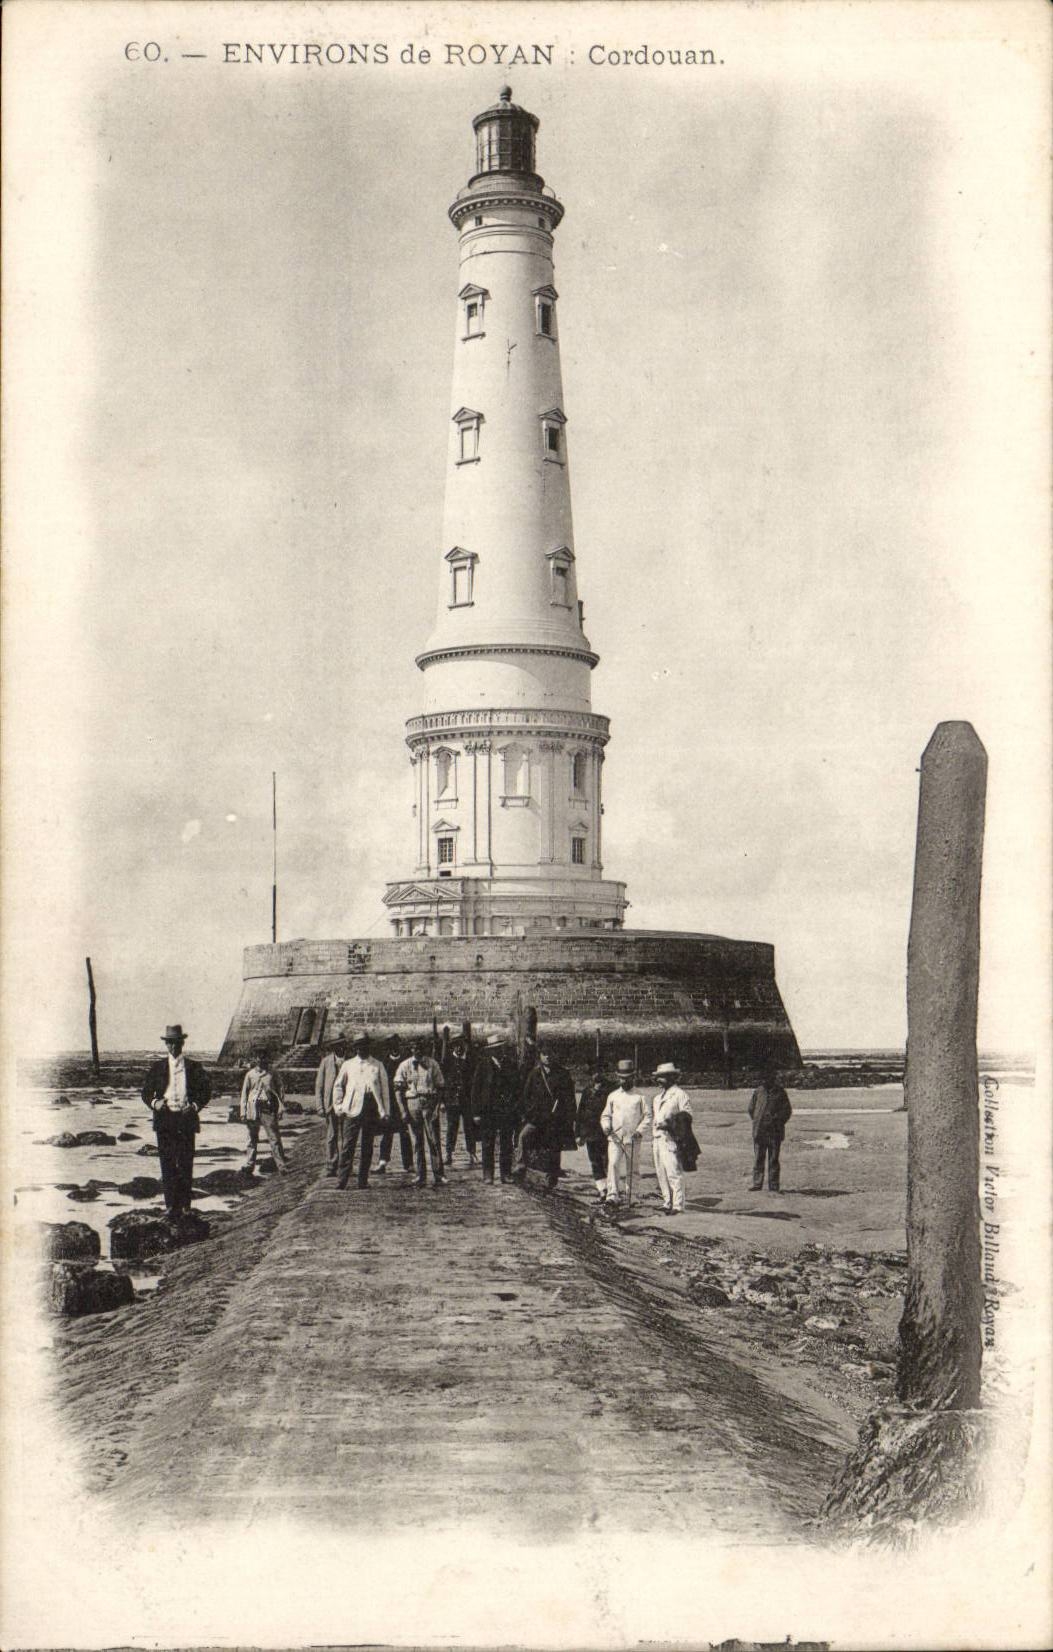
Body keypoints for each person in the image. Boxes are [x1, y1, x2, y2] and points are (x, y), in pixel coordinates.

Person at [140, 1023, 212, 1218]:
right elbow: (145, 1093)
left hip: (186, 1119)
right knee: (167, 1163)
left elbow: (206, 1091)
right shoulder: (158, 1067)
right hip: (165, 1120)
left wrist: (195, 1106)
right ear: (166, 1044)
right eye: (169, 1043)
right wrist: (155, 1103)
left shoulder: (194, 1067)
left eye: (176, 1042)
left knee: (186, 1163)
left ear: (182, 1043)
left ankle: (186, 1206)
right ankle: (171, 1206)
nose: (173, 1046)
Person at [512, 1046, 577, 1192]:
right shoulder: (534, 1074)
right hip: (537, 1118)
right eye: (544, 1054)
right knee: (523, 1136)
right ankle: (521, 1165)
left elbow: (570, 1099)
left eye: (550, 1054)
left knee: (553, 1148)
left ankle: (551, 1178)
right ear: (540, 1056)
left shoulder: (563, 1074)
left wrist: (569, 1118)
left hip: (555, 1119)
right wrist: (529, 1113)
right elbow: (526, 1096)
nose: (547, 1057)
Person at [331, 1031, 391, 1189]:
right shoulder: (348, 1065)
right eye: (358, 1046)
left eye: (364, 1046)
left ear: (368, 1047)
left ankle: (362, 1181)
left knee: (367, 1146)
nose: (361, 1049)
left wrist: (385, 1111)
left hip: (371, 1108)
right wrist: (338, 1106)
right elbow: (338, 1086)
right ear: (355, 1048)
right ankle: (342, 1180)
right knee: (348, 1146)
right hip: (352, 1109)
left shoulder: (377, 1065)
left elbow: (385, 1091)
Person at [394, 1039, 449, 1189]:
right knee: (416, 1141)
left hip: (429, 1102)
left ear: (424, 1049)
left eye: (420, 1048)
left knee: (434, 1140)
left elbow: (441, 1087)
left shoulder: (432, 1064)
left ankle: (439, 1174)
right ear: (411, 1050)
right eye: (414, 1048)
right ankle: (420, 1175)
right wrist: (403, 1110)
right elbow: (398, 1090)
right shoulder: (404, 1065)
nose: (417, 1050)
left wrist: (438, 1106)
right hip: (412, 1103)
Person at [470, 1033, 520, 1184]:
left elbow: (516, 1088)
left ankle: (506, 1174)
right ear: (490, 1051)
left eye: (500, 1048)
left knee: (506, 1143)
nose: (498, 1051)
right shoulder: (483, 1066)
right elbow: (475, 1091)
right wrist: (476, 1112)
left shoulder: (510, 1065)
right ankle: (488, 1174)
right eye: (495, 1049)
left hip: (505, 1111)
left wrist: (514, 1107)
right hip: (488, 1111)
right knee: (487, 1143)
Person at [600, 1059, 649, 1208]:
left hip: (633, 1139)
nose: (624, 1080)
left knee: (632, 1168)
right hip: (615, 1138)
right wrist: (606, 1127)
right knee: (613, 1164)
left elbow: (648, 1116)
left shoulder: (640, 1096)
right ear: (618, 1077)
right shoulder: (613, 1096)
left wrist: (639, 1131)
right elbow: (606, 1115)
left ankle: (632, 1196)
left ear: (633, 1077)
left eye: (628, 1078)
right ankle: (612, 1195)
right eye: (622, 1078)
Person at [650, 1062, 696, 1216]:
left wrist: (669, 1124)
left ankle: (678, 1205)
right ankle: (667, 1202)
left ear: (671, 1077)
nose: (658, 1080)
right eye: (657, 1077)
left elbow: (687, 1116)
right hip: (658, 1138)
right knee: (661, 1172)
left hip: (671, 1138)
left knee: (674, 1171)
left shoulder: (679, 1094)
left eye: (661, 1077)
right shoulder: (657, 1098)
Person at [239, 1048, 289, 1174]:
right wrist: (243, 1112)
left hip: (268, 1108)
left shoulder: (273, 1073)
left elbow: (280, 1090)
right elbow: (244, 1094)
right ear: (255, 1059)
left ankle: (281, 1165)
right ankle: (249, 1164)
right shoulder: (250, 1074)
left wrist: (280, 1107)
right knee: (251, 1138)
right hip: (253, 1109)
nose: (261, 1060)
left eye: (263, 1057)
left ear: (267, 1058)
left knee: (274, 1137)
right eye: (258, 1057)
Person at [748, 1063, 793, 1192]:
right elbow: (751, 1109)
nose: (765, 1081)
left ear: (773, 1078)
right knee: (758, 1159)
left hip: (775, 1132)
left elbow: (787, 1111)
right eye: (763, 1078)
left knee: (773, 1160)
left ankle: (773, 1185)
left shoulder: (780, 1092)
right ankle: (757, 1184)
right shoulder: (758, 1091)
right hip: (760, 1131)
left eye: (768, 1078)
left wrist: (777, 1120)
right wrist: (757, 1120)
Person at [376, 1034, 414, 1176]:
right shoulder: (384, 1062)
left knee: (405, 1133)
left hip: (403, 1103)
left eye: (396, 1044)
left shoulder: (405, 1061)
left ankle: (408, 1164)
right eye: (391, 1045)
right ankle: (382, 1162)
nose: (394, 1048)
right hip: (389, 1103)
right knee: (387, 1133)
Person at [576, 1061, 612, 1201]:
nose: (597, 1074)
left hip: (606, 1132)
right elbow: (580, 1113)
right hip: (590, 1132)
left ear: (604, 1072)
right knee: (595, 1161)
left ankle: (611, 1190)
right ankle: (602, 1190)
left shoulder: (612, 1090)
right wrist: (578, 1134)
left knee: (608, 1161)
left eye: (600, 1071)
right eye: (594, 1072)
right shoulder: (587, 1091)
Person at [443, 1037, 477, 1166]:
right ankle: (448, 1153)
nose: (459, 1048)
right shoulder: (446, 1061)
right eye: (456, 1046)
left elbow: (474, 1082)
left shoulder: (470, 1062)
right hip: (451, 1100)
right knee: (452, 1127)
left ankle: (472, 1153)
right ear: (453, 1047)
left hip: (467, 1101)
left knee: (469, 1127)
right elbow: (442, 1083)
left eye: (461, 1045)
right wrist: (442, 1101)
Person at [314, 1040, 345, 1175]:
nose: (340, 1048)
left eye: (342, 1045)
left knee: (346, 1136)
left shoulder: (350, 1061)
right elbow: (319, 1085)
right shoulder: (326, 1062)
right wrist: (320, 1106)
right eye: (337, 1046)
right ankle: (331, 1166)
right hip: (331, 1105)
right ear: (333, 1048)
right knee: (332, 1136)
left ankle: (344, 1166)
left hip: (347, 1104)